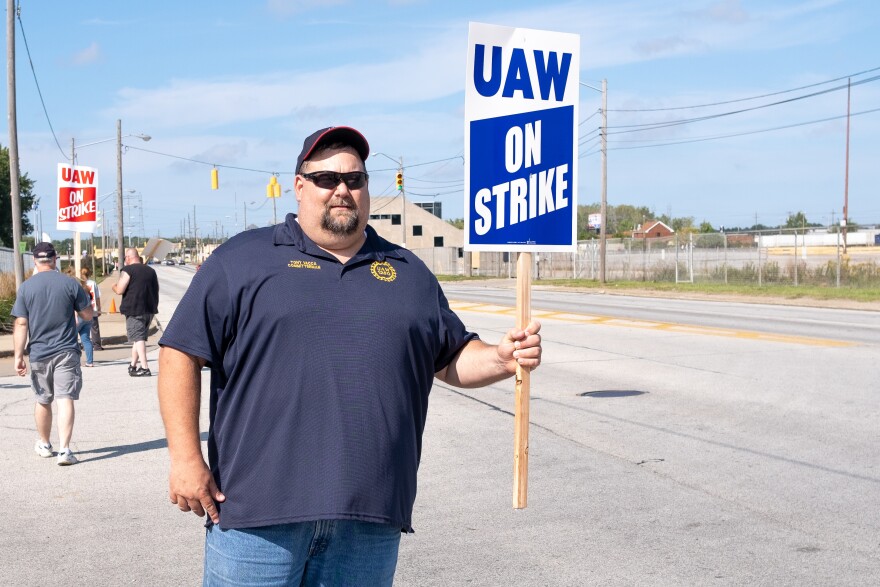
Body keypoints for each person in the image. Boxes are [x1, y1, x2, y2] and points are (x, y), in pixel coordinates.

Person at [157, 126, 543, 585]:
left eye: (355, 179)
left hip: (370, 518)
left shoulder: (408, 273)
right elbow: (179, 351)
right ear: (300, 186)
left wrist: (501, 358)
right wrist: (185, 458)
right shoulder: (242, 260)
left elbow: (450, 358)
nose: (342, 189)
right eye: (326, 179)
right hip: (255, 516)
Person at [12, 242, 93, 466]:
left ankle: (46, 444)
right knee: (65, 398)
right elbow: (87, 315)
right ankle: (65, 450)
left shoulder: (26, 288)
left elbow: (21, 323)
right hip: (66, 351)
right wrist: (88, 309)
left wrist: (18, 355)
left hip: (38, 352)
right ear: (55, 259)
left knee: (43, 399)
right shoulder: (70, 284)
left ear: (35, 261)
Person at [112, 247, 159, 377]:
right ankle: (133, 365)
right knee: (138, 339)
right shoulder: (151, 271)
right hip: (149, 309)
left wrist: (114, 287)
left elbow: (120, 290)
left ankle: (144, 367)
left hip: (134, 309)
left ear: (128, 257)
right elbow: (156, 289)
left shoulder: (128, 270)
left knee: (138, 338)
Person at [81, 266, 103, 351]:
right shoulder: (93, 283)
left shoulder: (80, 283)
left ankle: (84, 344)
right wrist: (99, 307)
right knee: (94, 328)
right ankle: (96, 345)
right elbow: (97, 296)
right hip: (93, 308)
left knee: (84, 329)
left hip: (83, 309)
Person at [75, 275, 94, 367]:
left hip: (78, 317)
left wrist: (75, 318)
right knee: (86, 339)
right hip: (88, 318)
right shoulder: (87, 291)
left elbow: (75, 307)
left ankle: (76, 361)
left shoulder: (76, 292)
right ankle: (89, 362)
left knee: (72, 340)